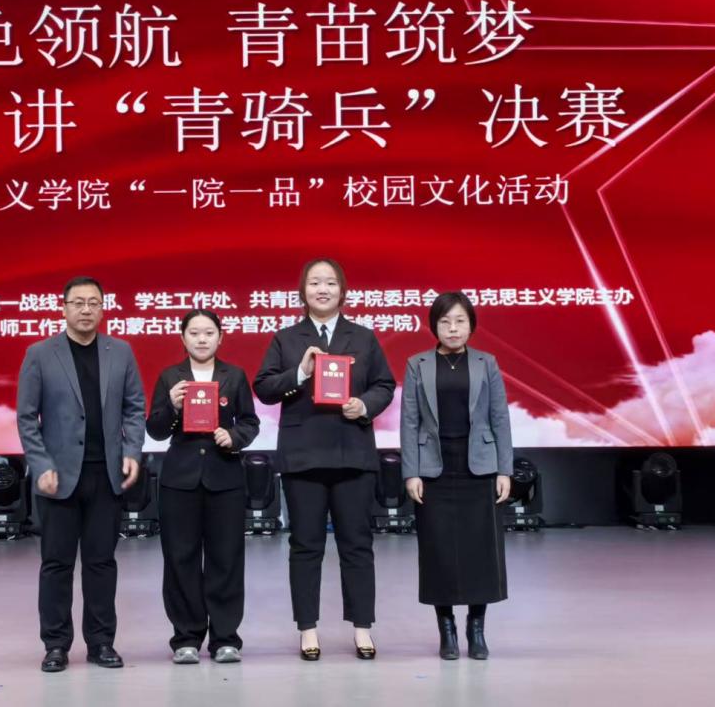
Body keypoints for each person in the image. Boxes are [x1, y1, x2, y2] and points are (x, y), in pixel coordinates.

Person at [253, 258, 395, 660]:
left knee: (357, 545)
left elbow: (384, 384)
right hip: (303, 457)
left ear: (342, 291)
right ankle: (308, 629)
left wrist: (364, 405)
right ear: (303, 291)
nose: (322, 289)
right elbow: (264, 387)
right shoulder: (286, 339)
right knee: (305, 545)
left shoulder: (363, 337)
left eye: (330, 283)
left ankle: (363, 628)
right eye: (314, 282)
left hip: (353, 453)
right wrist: (299, 373)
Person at [16, 276, 146, 673]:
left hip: (106, 475)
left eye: (93, 303)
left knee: (101, 562)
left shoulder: (120, 351)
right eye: (78, 303)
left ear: (103, 309)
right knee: (57, 564)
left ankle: (101, 642)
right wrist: (41, 465)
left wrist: (131, 452)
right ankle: (55, 645)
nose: (86, 310)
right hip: (59, 477)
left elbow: (134, 408)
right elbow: (27, 417)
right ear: (64, 308)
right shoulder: (40, 354)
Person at [400, 290, 512, 660]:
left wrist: (504, 469)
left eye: (460, 321)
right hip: (433, 468)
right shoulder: (417, 364)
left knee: (481, 551)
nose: (453, 328)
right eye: (445, 321)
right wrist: (411, 473)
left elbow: (499, 417)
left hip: (478, 467)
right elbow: (409, 421)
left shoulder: (486, 362)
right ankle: (446, 628)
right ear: (434, 326)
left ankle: (476, 628)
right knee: (439, 551)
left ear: (471, 325)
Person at [146, 309, 260, 664]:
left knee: (226, 559)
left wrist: (234, 437)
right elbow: (155, 430)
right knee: (180, 558)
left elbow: (250, 422)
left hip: (224, 477)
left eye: (208, 333)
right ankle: (186, 638)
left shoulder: (234, 375)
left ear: (220, 337)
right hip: (179, 479)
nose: (201, 339)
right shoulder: (170, 377)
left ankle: (225, 638)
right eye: (194, 333)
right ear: (182, 338)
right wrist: (172, 406)